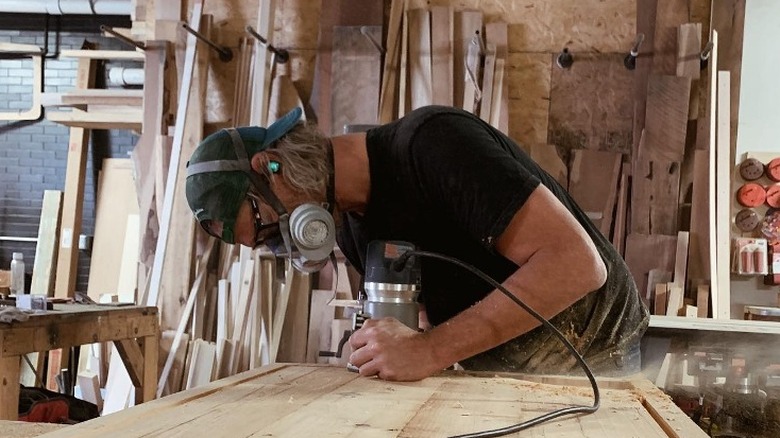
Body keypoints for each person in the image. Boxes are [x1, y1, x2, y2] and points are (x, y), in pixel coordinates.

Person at [185, 105, 649, 381]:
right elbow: (423, 324)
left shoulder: (433, 145)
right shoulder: (351, 226)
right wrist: (391, 348)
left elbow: (576, 266)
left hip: (592, 354)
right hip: (511, 370)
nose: (285, 239)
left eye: (267, 222)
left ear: (272, 166)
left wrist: (430, 350)